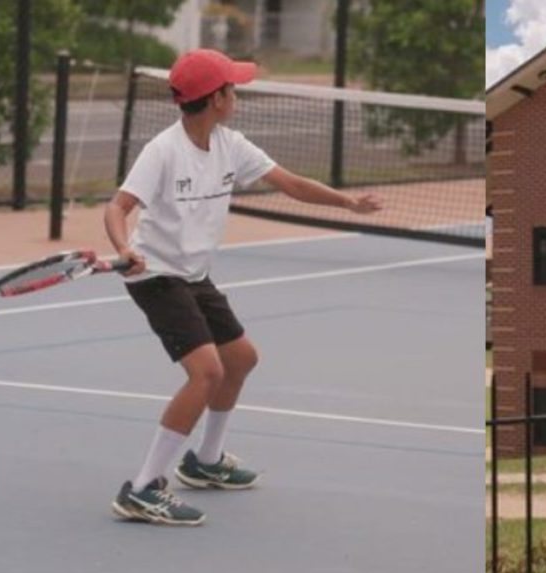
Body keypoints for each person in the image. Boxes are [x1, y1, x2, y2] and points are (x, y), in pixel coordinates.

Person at [105, 49, 381, 525]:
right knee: (206, 372)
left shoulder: (230, 144)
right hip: (156, 276)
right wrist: (124, 248)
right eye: (233, 88)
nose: (238, 94)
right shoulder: (163, 150)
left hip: (194, 274)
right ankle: (143, 487)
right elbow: (117, 208)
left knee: (241, 359)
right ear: (217, 98)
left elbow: (292, 184)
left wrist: (349, 203)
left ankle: (205, 461)